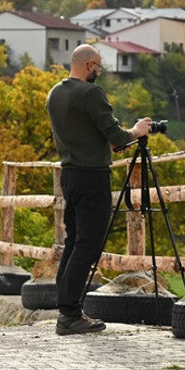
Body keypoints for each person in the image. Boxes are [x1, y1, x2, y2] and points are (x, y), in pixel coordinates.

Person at [46, 44, 152, 335]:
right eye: (99, 67)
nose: (99, 73)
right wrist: (137, 131)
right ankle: (69, 314)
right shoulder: (91, 93)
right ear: (90, 65)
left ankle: (66, 308)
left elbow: (85, 132)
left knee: (74, 241)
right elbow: (116, 135)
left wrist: (109, 142)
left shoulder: (55, 93)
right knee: (88, 244)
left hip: (70, 174)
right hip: (92, 177)